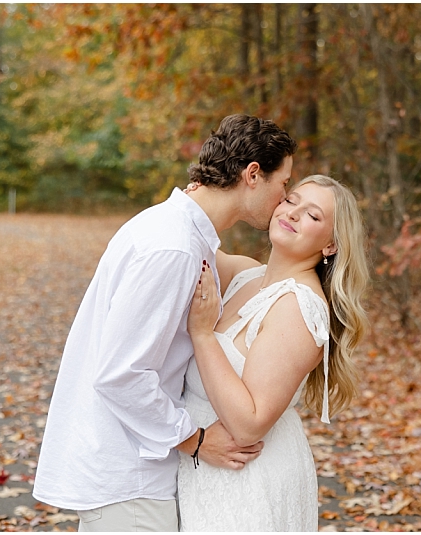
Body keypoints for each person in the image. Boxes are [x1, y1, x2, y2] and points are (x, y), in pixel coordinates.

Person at [32, 114, 298, 532]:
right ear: (252, 175)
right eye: (283, 183)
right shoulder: (173, 247)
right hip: (128, 479)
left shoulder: (175, 230)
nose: (284, 198)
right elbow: (121, 374)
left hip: (133, 473)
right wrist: (196, 441)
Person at [177, 174, 370, 531]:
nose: (294, 214)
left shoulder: (298, 306)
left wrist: (202, 335)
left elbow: (249, 424)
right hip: (205, 468)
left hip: (248, 481)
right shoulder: (246, 275)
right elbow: (187, 238)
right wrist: (203, 192)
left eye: (313, 216)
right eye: (291, 200)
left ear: (331, 245)